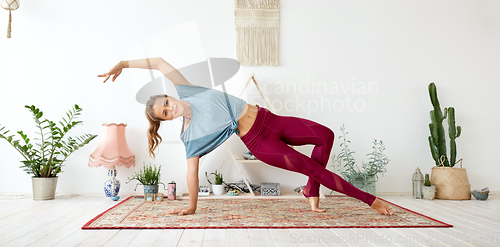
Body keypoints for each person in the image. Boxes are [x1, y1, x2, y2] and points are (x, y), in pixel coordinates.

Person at [98, 57, 394, 216]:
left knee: (325, 135)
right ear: (167, 119)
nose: (168, 108)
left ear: (167, 95)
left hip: (271, 119)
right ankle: (369, 200)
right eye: (164, 113)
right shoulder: (190, 135)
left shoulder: (188, 90)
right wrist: (191, 206)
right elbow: (192, 171)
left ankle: (311, 191)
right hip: (259, 142)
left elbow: (161, 62)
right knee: (310, 166)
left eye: (165, 103)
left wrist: (124, 64)